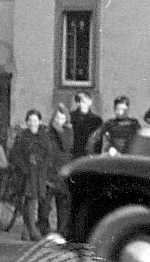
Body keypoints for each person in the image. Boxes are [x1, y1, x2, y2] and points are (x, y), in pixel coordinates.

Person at [8, 109, 51, 241]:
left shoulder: (44, 136)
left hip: (39, 174)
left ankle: (27, 231)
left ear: (39, 121)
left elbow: (49, 154)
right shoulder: (22, 136)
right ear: (27, 122)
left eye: (35, 120)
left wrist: (43, 165)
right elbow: (14, 155)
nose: (33, 123)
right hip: (26, 175)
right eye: (30, 120)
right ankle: (32, 230)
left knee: (35, 201)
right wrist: (24, 167)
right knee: (30, 201)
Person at [44, 104, 74, 235]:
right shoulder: (47, 132)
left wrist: (59, 130)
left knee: (62, 204)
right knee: (45, 204)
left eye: (61, 118)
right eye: (56, 117)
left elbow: (67, 145)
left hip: (62, 171)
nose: (58, 120)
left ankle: (61, 230)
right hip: (49, 171)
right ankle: (43, 228)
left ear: (65, 119)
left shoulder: (67, 131)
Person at [69, 91, 102, 158]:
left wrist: (96, 155)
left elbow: (99, 141)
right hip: (74, 154)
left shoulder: (96, 120)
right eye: (78, 102)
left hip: (90, 155)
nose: (81, 104)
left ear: (90, 102)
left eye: (83, 102)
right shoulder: (70, 118)